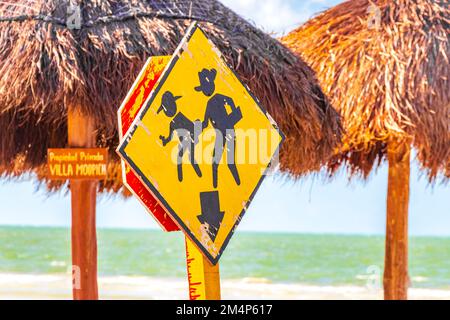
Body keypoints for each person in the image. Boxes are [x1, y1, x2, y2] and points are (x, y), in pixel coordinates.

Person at [195, 68, 242, 188]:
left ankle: (238, 184)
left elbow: (230, 100)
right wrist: (197, 126)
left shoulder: (217, 98)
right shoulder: (209, 105)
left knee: (230, 161)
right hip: (221, 133)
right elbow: (205, 123)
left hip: (229, 129)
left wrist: (232, 113)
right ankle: (215, 186)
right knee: (215, 162)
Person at [158, 91, 202, 182]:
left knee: (190, 157)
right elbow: (170, 137)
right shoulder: (172, 124)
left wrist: (194, 134)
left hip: (190, 139)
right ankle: (181, 180)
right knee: (181, 157)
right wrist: (164, 140)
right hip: (184, 141)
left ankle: (199, 176)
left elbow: (191, 126)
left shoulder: (180, 116)